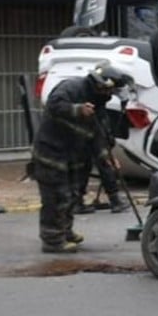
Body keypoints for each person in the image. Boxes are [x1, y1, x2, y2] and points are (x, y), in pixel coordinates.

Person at [31, 63, 131, 254]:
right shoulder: (71, 88)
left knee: (72, 195)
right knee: (56, 197)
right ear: (101, 85)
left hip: (73, 155)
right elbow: (54, 105)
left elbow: (98, 138)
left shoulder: (99, 105)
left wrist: (107, 159)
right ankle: (52, 240)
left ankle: (65, 232)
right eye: (110, 89)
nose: (111, 94)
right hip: (51, 153)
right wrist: (77, 110)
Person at [74, 106, 130, 215]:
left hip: (85, 133)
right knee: (105, 164)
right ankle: (115, 200)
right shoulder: (95, 101)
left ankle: (77, 201)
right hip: (93, 133)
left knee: (86, 165)